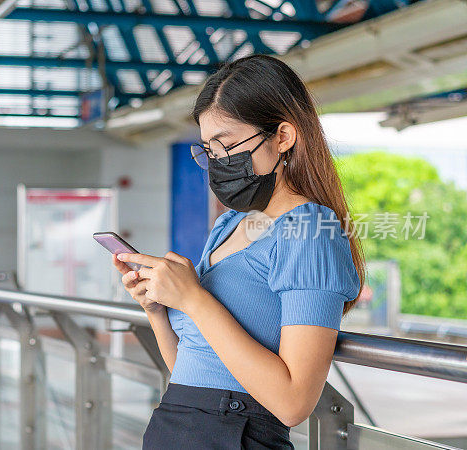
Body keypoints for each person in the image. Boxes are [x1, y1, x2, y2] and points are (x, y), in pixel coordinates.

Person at [111, 53, 365, 449]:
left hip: (234, 432)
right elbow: (194, 368)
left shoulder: (310, 232)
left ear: (283, 136)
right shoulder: (229, 224)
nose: (217, 162)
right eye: (209, 150)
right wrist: (158, 311)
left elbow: (294, 403)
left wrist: (194, 299)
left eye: (226, 145)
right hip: (178, 421)